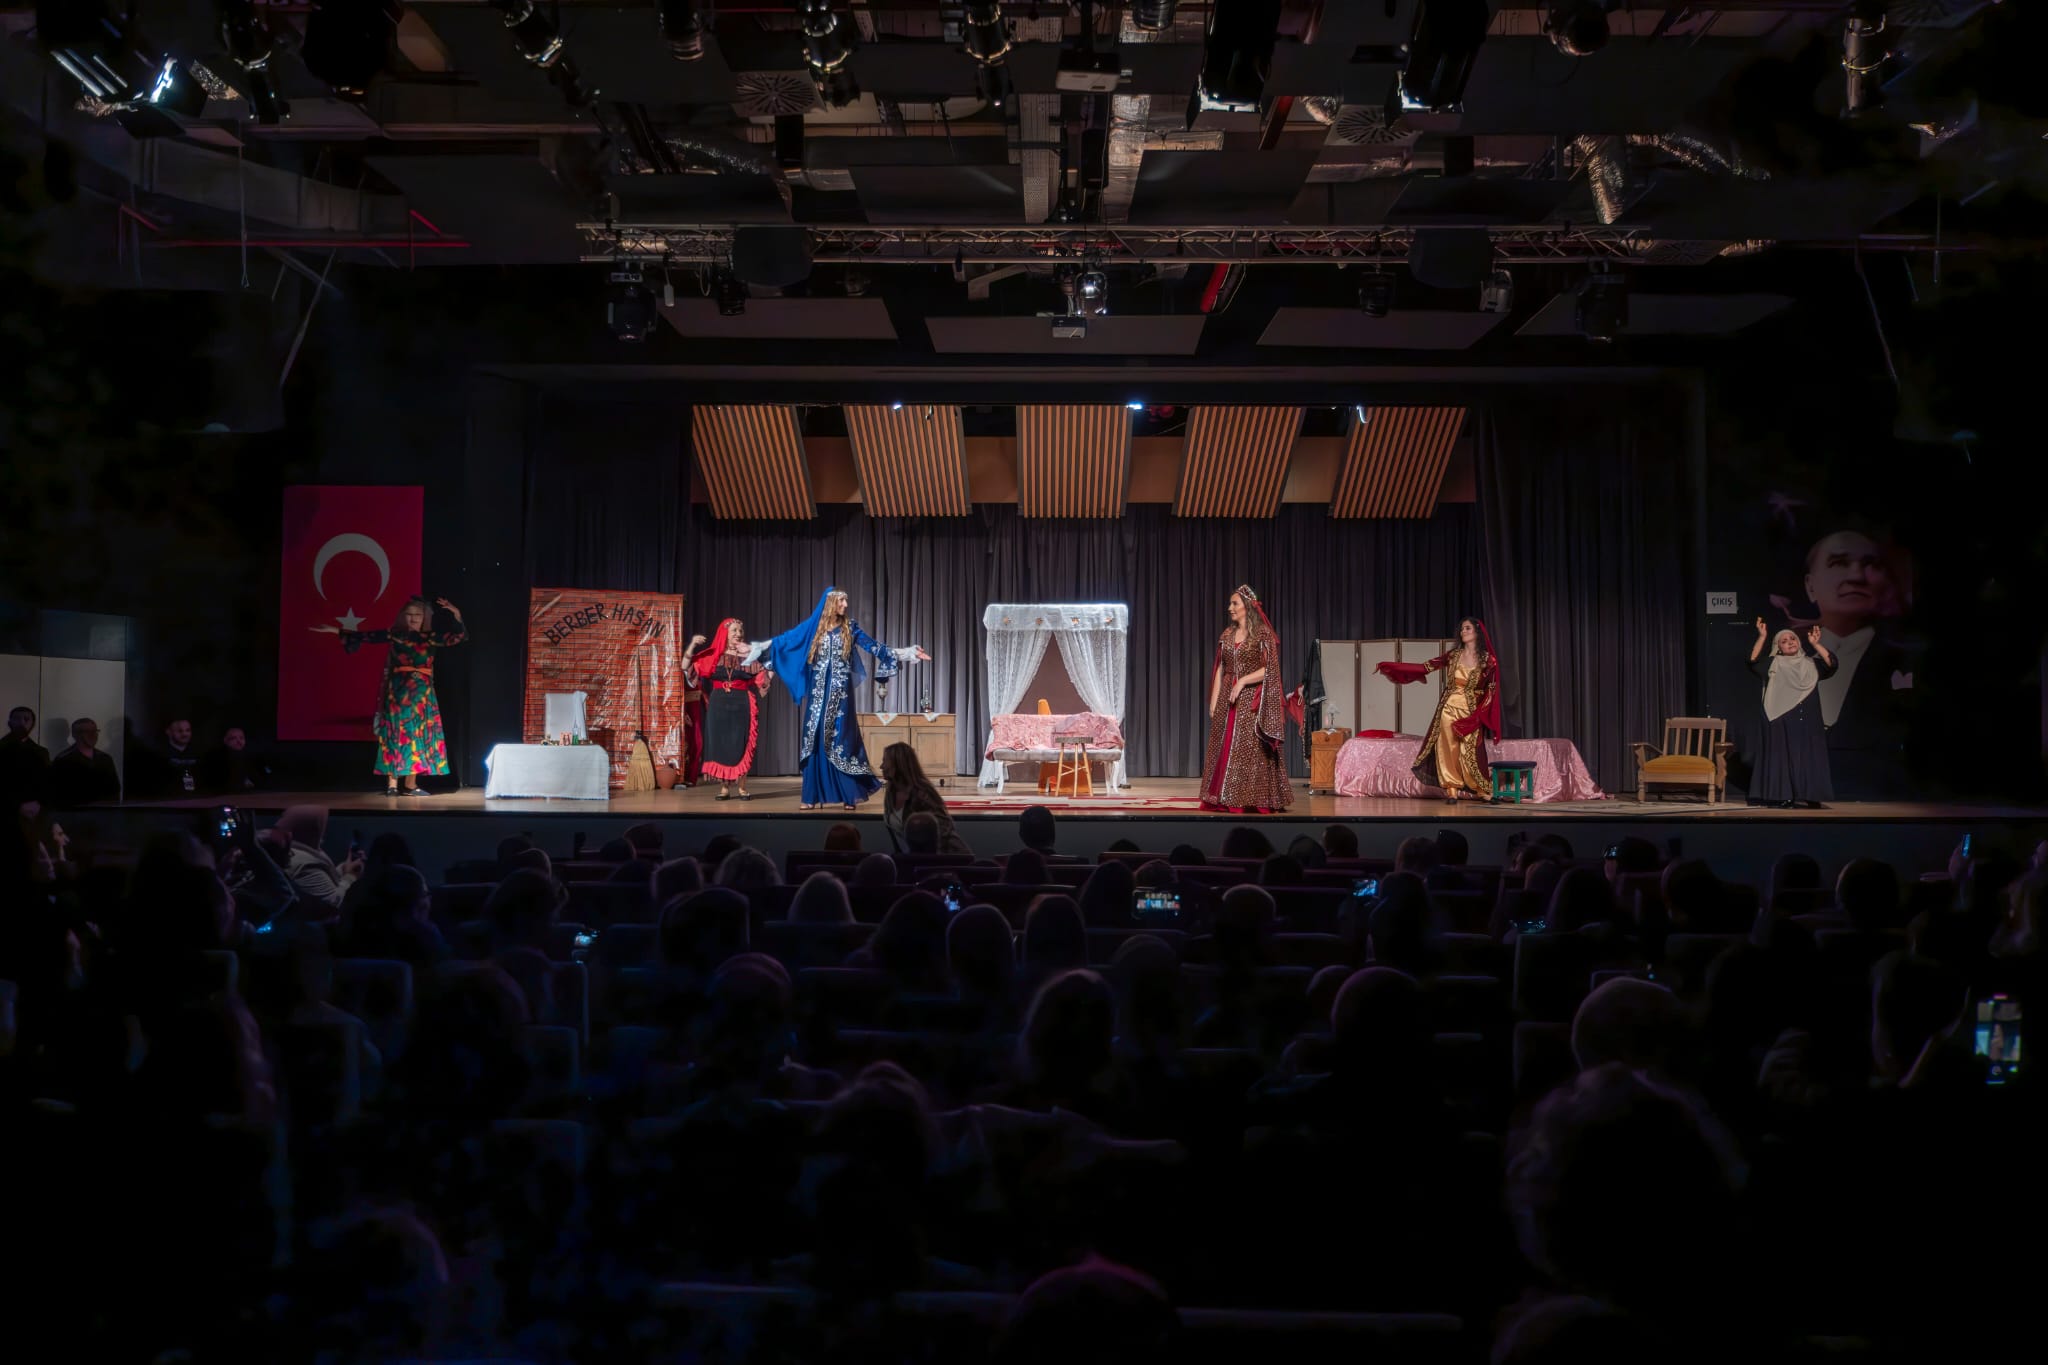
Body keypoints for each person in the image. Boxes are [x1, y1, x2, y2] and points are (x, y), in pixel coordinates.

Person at [745, 587, 927, 811]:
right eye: (841, 601)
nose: (845, 605)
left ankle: (849, 794)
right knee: (814, 739)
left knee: (841, 739)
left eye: (845, 601)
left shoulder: (851, 627)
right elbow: (785, 641)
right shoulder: (813, 628)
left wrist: (909, 653)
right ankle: (811, 795)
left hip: (841, 696)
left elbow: (876, 648)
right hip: (817, 696)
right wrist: (756, 648)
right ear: (830, 603)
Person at [1801, 528, 1916, 798]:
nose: (1856, 576)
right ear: (1810, 586)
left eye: (1871, 565)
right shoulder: (1781, 657)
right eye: (1839, 563)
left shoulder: (1911, 660)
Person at [313, 595, 467, 796]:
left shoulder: (431, 638)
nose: (413, 618)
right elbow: (366, 636)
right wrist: (335, 630)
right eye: (409, 614)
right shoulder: (396, 635)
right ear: (403, 616)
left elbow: (458, 637)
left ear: (424, 618)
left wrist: (457, 614)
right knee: (396, 733)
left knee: (417, 734)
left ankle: (410, 785)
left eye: (418, 615)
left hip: (422, 694)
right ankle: (392, 785)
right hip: (399, 692)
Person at [1376, 616, 1501, 802]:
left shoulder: (1488, 661)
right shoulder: (1453, 655)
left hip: (1471, 711)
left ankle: (1481, 789)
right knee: (1447, 747)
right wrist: (1394, 667)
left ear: (1477, 632)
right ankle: (1452, 789)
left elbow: (1491, 691)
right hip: (1449, 707)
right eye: (1462, 629)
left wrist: (1480, 714)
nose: (1463, 632)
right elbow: (1424, 667)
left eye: (1467, 628)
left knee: (1471, 750)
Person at [1200, 584, 1292, 812]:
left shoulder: (1262, 633)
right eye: (1230, 603)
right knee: (1223, 746)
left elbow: (1269, 669)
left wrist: (1242, 681)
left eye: (1235, 603)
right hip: (1227, 698)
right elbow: (1220, 668)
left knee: (1247, 750)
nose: (1230, 608)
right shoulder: (1227, 635)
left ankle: (1248, 799)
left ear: (1247, 606)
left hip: (1251, 699)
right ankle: (1222, 797)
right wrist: (1214, 700)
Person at [1746, 619, 1837, 808]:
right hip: (1781, 718)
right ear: (1778, 647)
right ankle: (1784, 796)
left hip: (1808, 717)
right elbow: (1752, 661)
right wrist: (1762, 637)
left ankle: (1811, 796)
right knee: (1783, 758)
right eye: (1784, 641)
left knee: (1810, 756)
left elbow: (1831, 665)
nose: (1790, 642)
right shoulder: (1773, 663)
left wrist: (1816, 644)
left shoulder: (1811, 664)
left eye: (1793, 639)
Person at [689, 618, 772, 801]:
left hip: (742, 703)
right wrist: (692, 646)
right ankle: (724, 788)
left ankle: (742, 787)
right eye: (734, 630)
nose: (738, 634)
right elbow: (689, 668)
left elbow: (762, 676)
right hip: (718, 705)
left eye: (740, 631)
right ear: (725, 633)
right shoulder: (714, 655)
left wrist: (768, 671)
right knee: (721, 745)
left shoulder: (749, 657)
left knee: (741, 744)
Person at [880, 741, 970, 854]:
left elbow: (944, 829)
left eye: (885, 761)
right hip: (914, 860)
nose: (881, 766)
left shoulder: (922, 792)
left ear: (898, 764)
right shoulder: (891, 793)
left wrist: (933, 861)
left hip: (944, 858)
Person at [48, 717, 121, 808]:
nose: (92, 735)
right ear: (75, 735)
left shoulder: (105, 758)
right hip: (75, 812)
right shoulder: (63, 760)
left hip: (103, 812)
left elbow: (114, 790)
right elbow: (57, 794)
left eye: (94, 731)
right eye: (86, 732)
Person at [134, 717, 202, 799]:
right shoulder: (158, 753)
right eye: (180, 731)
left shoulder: (199, 752)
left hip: (196, 798)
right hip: (166, 798)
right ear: (168, 732)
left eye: (188, 730)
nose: (185, 734)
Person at [1, 704, 49, 814]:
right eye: (17, 718)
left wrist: (39, 803)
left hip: (34, 811)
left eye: (26, 719)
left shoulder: (41, 752)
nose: (21, 723)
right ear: (9, 723)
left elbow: (46, 782)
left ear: (33, 724)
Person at [201, 725, 269, 796]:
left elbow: (258, 780)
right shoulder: (217, 757)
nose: (238, 741)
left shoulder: (248, 758)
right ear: (225, 740)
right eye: (233, 738)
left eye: (241, 738)